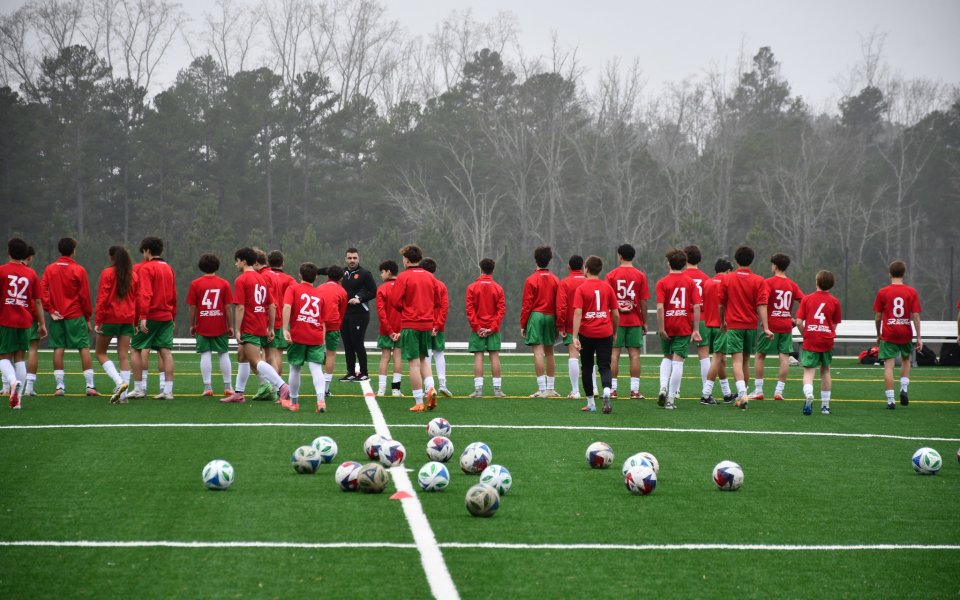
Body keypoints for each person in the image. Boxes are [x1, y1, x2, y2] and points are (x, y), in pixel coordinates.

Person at [221, 247, 290, 404]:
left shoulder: (242, 280)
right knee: (242, 356)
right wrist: (270, 327)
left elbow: (240, 307)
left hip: (250, 325)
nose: (235, 264)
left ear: (243, 261)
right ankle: (238, 393)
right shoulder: (261, 278)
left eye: (237, 261)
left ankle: (281, 386)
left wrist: (238, 329)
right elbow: (272, 306)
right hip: (260, 324)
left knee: (256, 361)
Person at [718, 245, 772, 410]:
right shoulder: (759, 281)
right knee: (746, 361)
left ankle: (742, 394)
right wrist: (766, 327)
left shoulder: (727, 279)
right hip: (751, 326)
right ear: (752, 260)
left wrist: (722, 322)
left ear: (736, 259)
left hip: (734, 325)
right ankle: (743, 394)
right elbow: (762, 305)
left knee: (736, 360)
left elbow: (721, 304)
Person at [40, 237, 96, 396]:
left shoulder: (50, 269)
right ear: (73, 251)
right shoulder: (79, 270)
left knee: (58, 349)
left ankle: (59, 387)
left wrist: (50, 309)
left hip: (57, 316)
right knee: (83, 348)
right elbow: (84, 296)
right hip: (76, 315)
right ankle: (90, 386)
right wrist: (87, 317)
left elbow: (42, 290)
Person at [126, 237, 177, 400]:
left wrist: (142, 317)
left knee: (135, 348)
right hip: (167, 315)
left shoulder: (146, 268)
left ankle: (140, 388)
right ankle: (168, 391)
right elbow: (174, 295)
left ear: (147, 250)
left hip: (151, 315)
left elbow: (145, 294)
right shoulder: (168, 268)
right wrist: (173, 315)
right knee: (165, 351)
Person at [392, 245, 441, 412]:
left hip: (410, 323)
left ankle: (419, 401)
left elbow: (395, 301)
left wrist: (408, 307)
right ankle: (431, 388)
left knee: (413, 363)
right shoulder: (430, 277)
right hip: (427, 324)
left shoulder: (403, 276)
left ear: (406, 259)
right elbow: (437, 301)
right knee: (423, 359)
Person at [0, 238, 47, 409]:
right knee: (20, 358)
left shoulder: (2, 271)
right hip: (25, 321)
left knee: (3, 356)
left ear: (8, 252)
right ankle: (17, 400)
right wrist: (42, 324)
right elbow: (38, 302)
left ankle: (12, 382)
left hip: (5, 319)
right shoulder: (31, 273)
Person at [751, 253, 803, 401]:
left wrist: (763, 320)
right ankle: (779, 392)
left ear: (774, 266)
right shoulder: (793, 285)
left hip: (771, 324)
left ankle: (758, 390)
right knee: (784, 357)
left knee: (760, 356)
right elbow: (804, 301)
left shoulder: (768, 282)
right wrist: (795, 318)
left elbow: (763, 302)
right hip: (786, 325)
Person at [655, 249, 702, 410]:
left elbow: (660, 308)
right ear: (684, 264)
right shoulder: (690, 282)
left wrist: (661, 328)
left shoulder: (662, 282)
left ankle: (662, 387)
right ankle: (670, 400)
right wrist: (695, 329)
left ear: (669, 263)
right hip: (683, 325)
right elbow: (696, 306)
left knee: (667, 357)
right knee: (678, 361)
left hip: (667, 325)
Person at [873, 260, 922, 409]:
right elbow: (915, 316)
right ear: (904, 274)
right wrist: (919, 336)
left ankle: (890, 400)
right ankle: (904, 389)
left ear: (890, 274)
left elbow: (878, 317)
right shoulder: (911, 292)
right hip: (905, 332)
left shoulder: (883, 292)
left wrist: (878, 333)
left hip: (889, 333)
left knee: (889, 365)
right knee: (906, 360)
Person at [573, 256, 618, 413]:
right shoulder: (607, 288)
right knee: (604, 365)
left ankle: (591, 403)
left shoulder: (582, 288)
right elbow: (616, 313)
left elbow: (578, 313)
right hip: (605, 332)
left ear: (586, 268)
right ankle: (606, 391)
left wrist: (574, 336)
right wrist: (614, 331)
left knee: (587, 367)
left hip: (587, 333)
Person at [94, 246, 138, 404]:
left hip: (110, 318)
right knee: (124, 356)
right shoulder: (133, 275)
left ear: (111, 257)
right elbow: (136, 299)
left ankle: (119, 383)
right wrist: (136, 320)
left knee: (100, 353)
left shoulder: (107, 273)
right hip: (128, 319)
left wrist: (98, 320)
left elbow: (102, 298)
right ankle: (124, 397)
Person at [282, 262, 328, 413]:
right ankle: (320, 401)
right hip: (316, 335)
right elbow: (323, 320)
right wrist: (323, 339)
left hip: (298, 335)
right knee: (316, 368)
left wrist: (284, 328)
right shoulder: (320, 294)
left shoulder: (293, 288)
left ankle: (294, 403)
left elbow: (287, 306)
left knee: (295, 368)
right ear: (315, 277)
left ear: (299, 275)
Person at [186, 253, 235, 397]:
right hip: (220, 325)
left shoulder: (195, 284)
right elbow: (227, 307)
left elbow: (192, 307)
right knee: (223, 353)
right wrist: (230, 325)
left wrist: (192, 324)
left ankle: (207, 387)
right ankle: (228, 386)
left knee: (205, 354)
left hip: (202, 324)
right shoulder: (224, 283)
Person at [605, 244, 649, 399]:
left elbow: (607, 300)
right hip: (635, 319)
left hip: (616, 321)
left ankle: (612, 390)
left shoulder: (611, 275)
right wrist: (644, 321)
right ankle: (635, 391)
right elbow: (643, 301)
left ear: (620, 256)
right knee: (635, 355)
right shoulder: (640, 275)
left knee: (614, 354)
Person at [796, 270, 842, 415]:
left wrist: (806, 335)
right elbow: (834, 325)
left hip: (811, 339)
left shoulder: (807, 299)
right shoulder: (835, 301)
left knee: (809, 371)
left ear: (816, 282)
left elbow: (798, 322)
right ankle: (825, 406)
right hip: (826, 340)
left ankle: (809, 393)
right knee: (826, 370)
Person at [520, 246, 560, 398]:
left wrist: (523, 324)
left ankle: (542, 389)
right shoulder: (556, 279)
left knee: (538, 351)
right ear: (549, 260)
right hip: (550, 316)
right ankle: (551, 389)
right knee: (550, 352)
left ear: (535, 259)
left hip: (536, 316)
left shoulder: (531, 279)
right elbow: (559, 303)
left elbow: (527, 305)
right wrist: (558, 323)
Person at [465, 258, 507, 398]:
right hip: (492, 329)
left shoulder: (472, 287)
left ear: (480, 269)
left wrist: (477, 328)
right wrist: (492, 328)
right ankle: (497, 390)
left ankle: (478, 390)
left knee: (478, 357)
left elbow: (470, 310)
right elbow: (501, 311)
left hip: (477, 330)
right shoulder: (498, 288)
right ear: (493, 270)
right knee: (494, 356)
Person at [699, 258, 737, 405]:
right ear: (727, 271)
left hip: (709, 325)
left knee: (721, 359)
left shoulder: (707, 282)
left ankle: (726, 393)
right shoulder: (727, 283)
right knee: (717, 357)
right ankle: (706, 394)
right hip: (722, 325)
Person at [339, 248, 377, 382]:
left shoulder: (365, 273)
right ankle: (350, 372)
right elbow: (328, 272)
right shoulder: (342, 273)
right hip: (344, 314)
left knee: (357, 343)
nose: (352, 261)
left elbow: (373, 292)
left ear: (358, 258)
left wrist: (359, 299)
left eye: (354, 258)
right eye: (349, 258)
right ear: (345, 259)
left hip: (360, 314)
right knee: (347, 343)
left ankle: (364, 373)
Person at [556, 255, 587, 399]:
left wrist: (560, 325)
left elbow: (562, 306)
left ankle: (575, 391)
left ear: (569, 267)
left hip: (570, 325)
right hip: (589, 324)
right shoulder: (588, 281)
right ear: (582, 268)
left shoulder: (565, 282)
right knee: (588, 357)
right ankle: (593, 389)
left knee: (573, 355)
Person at [263, 250, 296, 382]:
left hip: (267, 318)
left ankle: (272, 385)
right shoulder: (289, 279)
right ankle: (279, 386)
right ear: (283, 263)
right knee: (278, 355)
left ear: (268, 263)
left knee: (267, 354)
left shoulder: (265, 276)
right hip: (282, 319)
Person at [682, 245, 710, 395]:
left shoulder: (681, 276)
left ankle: (676, 390)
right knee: (704, 354)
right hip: (702, 318)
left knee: (678, 354)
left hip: (684, 317)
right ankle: (706, 390)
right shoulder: (706, 278)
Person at [422, 258, 452, 397]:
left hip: (424, 324)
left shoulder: (422, 285)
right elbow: (444, 307)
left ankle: (429, 387)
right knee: (439, 353)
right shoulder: (441, 285)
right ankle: (442, 384)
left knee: (425, 354)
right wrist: (438, 325)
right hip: (438, 325)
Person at [317, 265, 348, 397]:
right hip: (333, 325)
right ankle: (325, 389)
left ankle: (319, 387)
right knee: (331, 355)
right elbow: (342, 311)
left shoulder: (318, 288)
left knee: (317, 356)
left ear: (327, 276)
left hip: (318, 325)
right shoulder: (342, 291)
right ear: (341, 278)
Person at [374, 260, 403, 397]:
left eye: (382, 272)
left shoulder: (382, 288)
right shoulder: (403, 286)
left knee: (385, 357)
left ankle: (381, 389)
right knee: (398, 357)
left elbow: (381, 312)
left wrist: (389, 331)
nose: (381, 275)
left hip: (386, 330)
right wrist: (400, 331)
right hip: (402, 329)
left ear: (388, 272)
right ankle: (396, 390)